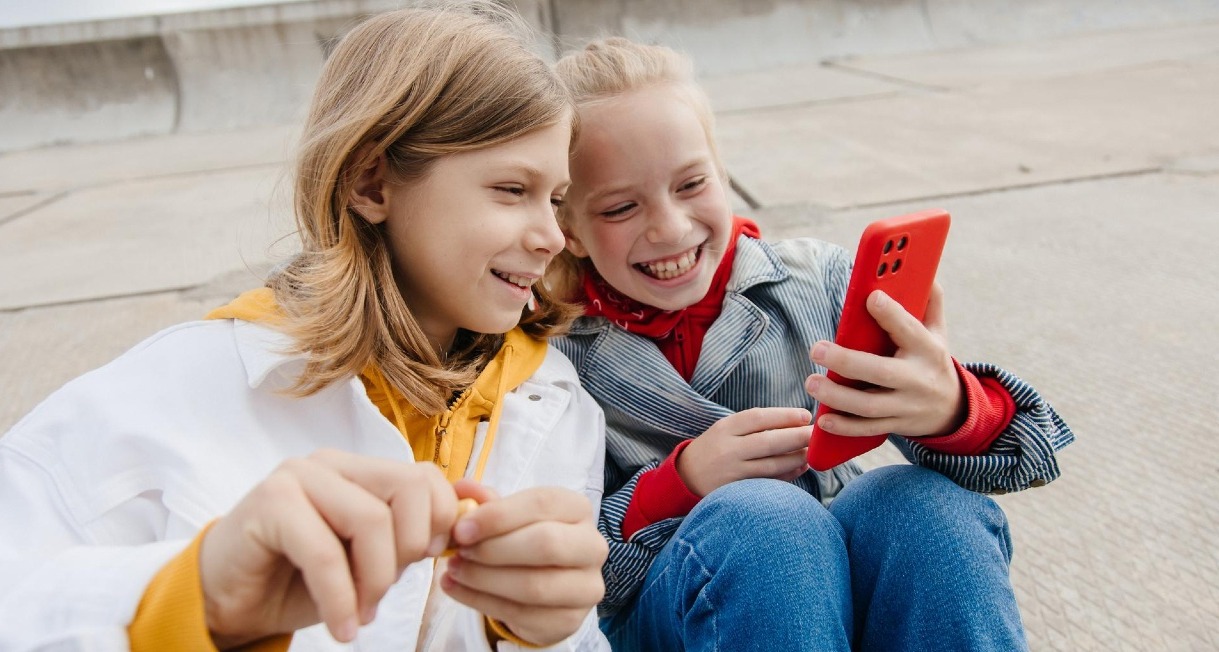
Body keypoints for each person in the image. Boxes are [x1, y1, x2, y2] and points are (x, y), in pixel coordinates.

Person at [0, 5, 611, 651]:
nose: (552, 237)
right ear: (370, 182)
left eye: (554, 198)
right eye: (511, 189)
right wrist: (194, 599)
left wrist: (535, 633)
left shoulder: (558, 398)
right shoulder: (155, 400)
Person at [546, 37, 1076, 651]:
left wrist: (952, 408)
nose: (669, 226)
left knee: (928, 510)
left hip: (831, 594)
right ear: (571, 231)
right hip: (679, 612)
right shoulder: (555, 357)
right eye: (619, 207)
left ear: (723, 175)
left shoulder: (820, 283)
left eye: (692, 184)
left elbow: (1035, 453)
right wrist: (681, 481)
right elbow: (569, 580)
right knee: (767, 521)